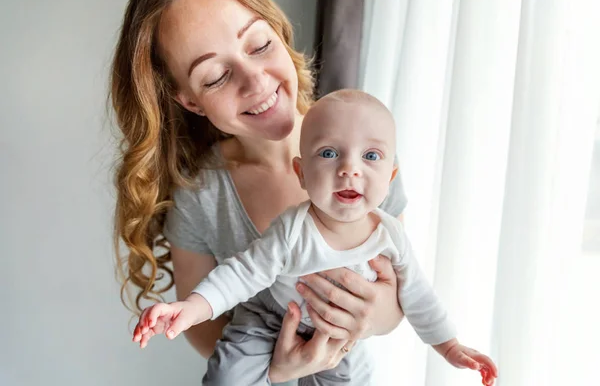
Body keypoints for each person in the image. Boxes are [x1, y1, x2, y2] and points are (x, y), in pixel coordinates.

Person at [110, 0, 411, 384]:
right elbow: (203, 328)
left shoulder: (365, 158)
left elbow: (399, 295)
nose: (256, 82)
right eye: (216, 77)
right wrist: (277, 370)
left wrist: (378, 316)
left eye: (259, 44)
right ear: (190, 101)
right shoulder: (201, 195)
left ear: (279, 34)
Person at [132, 90, 499, 386]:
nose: (349, 169)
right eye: (328, 153)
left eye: (371, 156)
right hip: (270, 320)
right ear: (302, 173)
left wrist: (450, 347)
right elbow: (244, 273)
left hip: (339, 338)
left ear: (390, 177)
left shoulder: (390, 234)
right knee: (228, 377)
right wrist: (192, 308)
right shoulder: (293, 227)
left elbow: (417, 294)